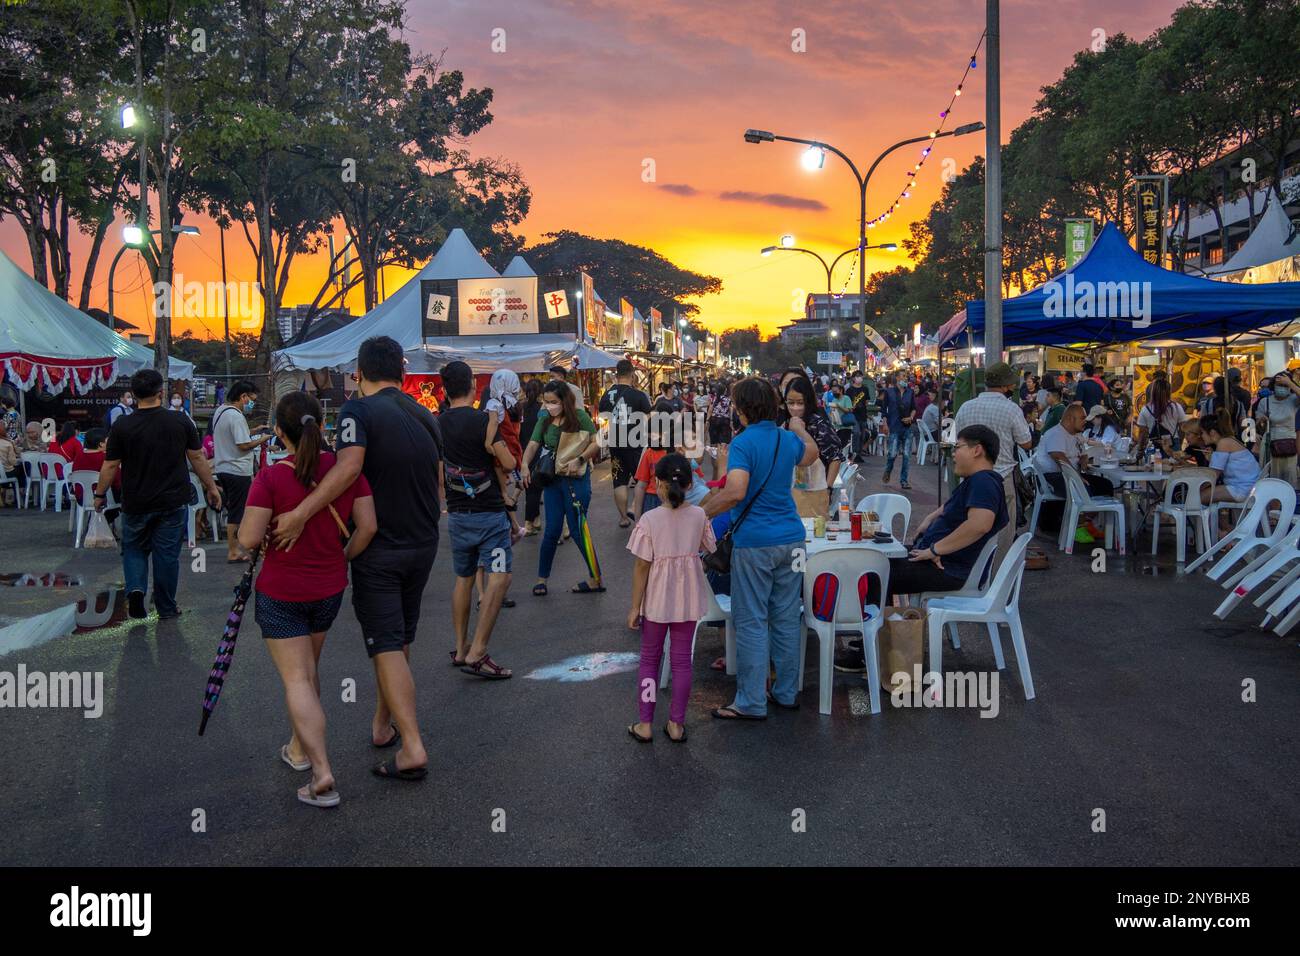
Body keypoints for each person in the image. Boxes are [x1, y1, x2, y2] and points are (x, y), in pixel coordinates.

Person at [272, 335, 441, 782]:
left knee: (385, 643)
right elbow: (438, 480)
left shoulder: (357, 412)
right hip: (424, 541)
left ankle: (413, 746)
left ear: (359, 372)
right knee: (399, 637)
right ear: (401, 373)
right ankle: (384, 725)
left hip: (379, 546)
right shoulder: (424, 414)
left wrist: (300, 514)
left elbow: (347, 468)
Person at [238, 391, 376, 808]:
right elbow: (367, 527)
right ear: (322, 422)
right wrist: (341, 557)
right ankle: (299, 750)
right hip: (329, 589)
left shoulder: (271, 477)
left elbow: (246, 539)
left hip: (281, 591)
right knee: (308, 671)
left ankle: (321, 771)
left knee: (297, 679)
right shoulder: (347, 472)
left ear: (279, 432)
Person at [704, 377, 818, 719]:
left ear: (742, 410)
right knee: (786, 616)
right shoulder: (786, 438)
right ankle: (785, 692)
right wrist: (798, 427)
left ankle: (751, 701)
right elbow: (811, 455)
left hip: (755, 543)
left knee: (752, 619)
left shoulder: (742, 443)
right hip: (793, 540)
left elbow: (737, 490)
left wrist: (701, 513)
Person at [96, 368, 222, 620]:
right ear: (161, 392)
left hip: (135, 500)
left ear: (133, 394)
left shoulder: (122, 425)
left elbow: (110, 464)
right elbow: (197, 457)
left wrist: (100, 494)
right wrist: (211, 487)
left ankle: (136, 589)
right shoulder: (179, 421)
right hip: (172, 500)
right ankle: (166, 606)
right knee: (166, 555)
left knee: (133, 549)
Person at [626, 453, 717, 743]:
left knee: (650, 660)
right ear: (690, 484)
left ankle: (645, 723)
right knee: (682, 662)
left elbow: (642, 566)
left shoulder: (649, 520)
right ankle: (676, 724)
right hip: (687, 597)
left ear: (658, 484)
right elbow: (709, 547)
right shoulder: (700, 515)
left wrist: (634, 607)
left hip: (655, 600)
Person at [440, 361, 517, 678]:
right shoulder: (484, 421)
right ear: (472, 385)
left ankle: (460, 648)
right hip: (488, 511)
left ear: (444, 390)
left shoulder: (437, 423)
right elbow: (508, 461)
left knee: (464, 578)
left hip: (457, 514)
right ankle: (478, 650)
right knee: (500, 576)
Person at [883, 424, 1009, 601]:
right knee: (878, 558)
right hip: (937, 559)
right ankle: (882, 622)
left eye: (957, 447)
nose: (953, 454)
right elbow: (952, 506)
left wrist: (935, 549)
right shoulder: (976, 481)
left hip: (948, 569)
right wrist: (930, 518)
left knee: (873, 572)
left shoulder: (984, 482)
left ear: (977, 450)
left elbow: (980, 524)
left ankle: (871, 625)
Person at [521, 380, 602, 596]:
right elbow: (532, 444)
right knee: (552, 530)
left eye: (553, 402)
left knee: (577, 530)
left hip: (576, 480)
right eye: (546, 402)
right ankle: (542, 579)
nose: (549, 406)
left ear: (564, 400)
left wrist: (581, 458)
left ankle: (596, 578)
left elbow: (597, 442)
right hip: (552, 481)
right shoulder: (544, 419)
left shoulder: (580, 417)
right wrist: (524, 464)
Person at [954, 362, 1032, 560]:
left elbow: (958, 439)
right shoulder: (1011, 409)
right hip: (1002, 478)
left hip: (971, 481)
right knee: (1002, 538)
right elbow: (1026, 444)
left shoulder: (966, 407)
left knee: (972, 533)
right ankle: (996, 584)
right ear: (1007, 386)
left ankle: (973, 579)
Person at [212, 380, 273, 563]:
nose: (251, 404)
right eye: (251, 399)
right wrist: (263, 438)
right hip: (237, 469)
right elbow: (243, 444)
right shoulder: (236, 416)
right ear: (243, 396)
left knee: (235, 509)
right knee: (237, 512)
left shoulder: (221, 411)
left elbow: (234, 435)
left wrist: (254, 430)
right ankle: (233, 551)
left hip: (223, 467)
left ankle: (239, 547)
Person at [597, 359, 652, 529]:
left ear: (616, 374)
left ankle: (623, 518)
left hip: (615, 442)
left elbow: (603, 417)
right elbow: (650, 419)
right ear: (632, 374)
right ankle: (635, 508)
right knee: (642, 478)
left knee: (619, 480)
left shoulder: (607, 395)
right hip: (635, 443)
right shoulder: (639, 395)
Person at [782, 375, 844, 509]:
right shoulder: (785, 424)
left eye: (800, 402)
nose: (795, 408)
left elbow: (835, 457)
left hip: (815, 491)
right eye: (790, 403)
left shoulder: (818, 424)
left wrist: (827, 488)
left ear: (808, 401)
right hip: (790, 493)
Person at [1200, 411, 1261, 524]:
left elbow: (1213, 475)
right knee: (1205, 495)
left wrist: (1197, 486)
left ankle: (1213, 533)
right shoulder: (1230, 440)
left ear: (1212, 433)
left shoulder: (1223, 443)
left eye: (1202, 432)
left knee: (1199, 497)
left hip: (1243, 489)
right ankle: (1222, 529)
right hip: (1251, 486)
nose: (1201, 436)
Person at [1255, 369, 1298, 488]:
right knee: (1272, 479)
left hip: (1291, 444)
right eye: (1280, 385)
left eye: (1285, 385)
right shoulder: (1265, 401)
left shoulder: (1294, 399)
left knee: (1291, 478)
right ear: (1273, 386)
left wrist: (1290, 383)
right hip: (1271, 445)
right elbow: (1258, 425)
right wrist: (1261, 421)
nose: (1282, 388)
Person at [880, 372, 917, 489]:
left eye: (906, 376)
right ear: (897, 378)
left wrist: (911, 417)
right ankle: (888, 470)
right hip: (894, 427)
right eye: (903, 376)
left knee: (907, 455)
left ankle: (904, 480)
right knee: (892, 454)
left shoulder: (910, 392)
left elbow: (914, 408)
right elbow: (884, 410)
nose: (905, 378)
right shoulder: (889, 392)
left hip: (907, 427)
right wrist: (885, 424)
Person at [519, 378, 545, 536]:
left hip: (524, 450)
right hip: (539, 450)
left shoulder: (520, 408)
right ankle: (530, 522)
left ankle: (534, 520)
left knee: (530, 488)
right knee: (534, 489)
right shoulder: (542, 410)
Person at [1134, 377, 1187, 455]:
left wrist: (1140, 448)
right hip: (1173, 444)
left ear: (1153, 392)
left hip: (1154, 445)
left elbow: (1143, 432)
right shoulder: (1177, 407)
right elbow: (1183, 429)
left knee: (1154, 466)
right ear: (1169, 392)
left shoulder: (1146, 409)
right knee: (1173, 466)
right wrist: (1179, 442)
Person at [705, 380, 735, 478]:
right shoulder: (728, 399)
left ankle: (715, 466)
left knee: (713, 445)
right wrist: (731, 421)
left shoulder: (713, 399)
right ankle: (721, 465)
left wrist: (707, 421)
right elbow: (730, 410)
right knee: (724, 445)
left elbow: (710, 410)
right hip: (724, 423)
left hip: (714, 422)